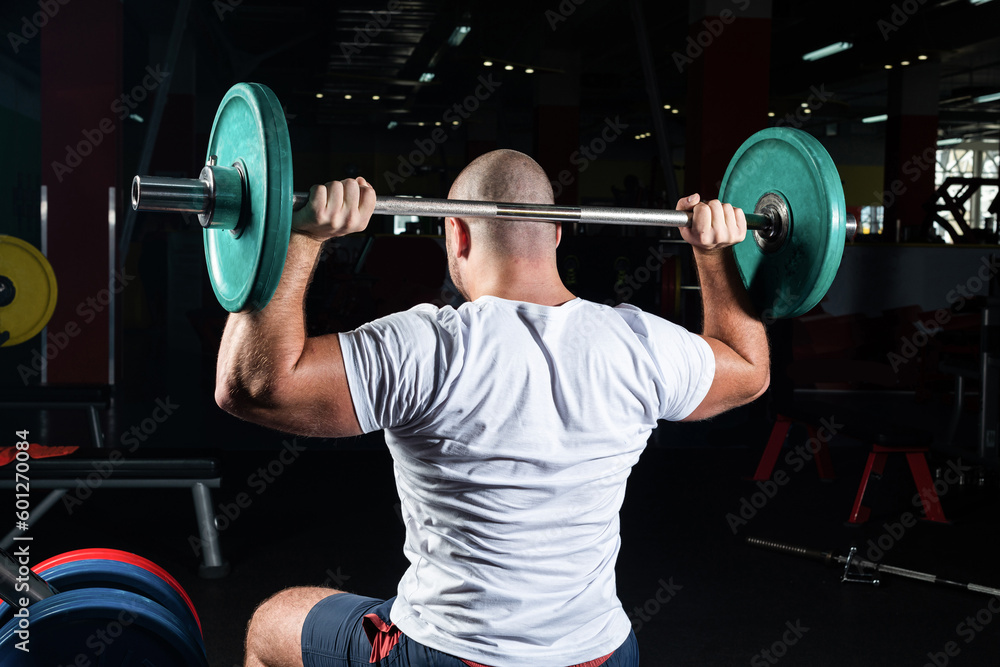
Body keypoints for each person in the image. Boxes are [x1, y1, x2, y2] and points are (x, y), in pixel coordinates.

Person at [216, 149, 769, 667]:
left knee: (272, 624)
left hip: (453, 653)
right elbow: (749, 369)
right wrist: (715, 253)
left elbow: (250, 384)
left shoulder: (429, 345)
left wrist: (297, 240)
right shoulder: (639, 344)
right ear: (555, 233)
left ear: (455, 235)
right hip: (601, 654)